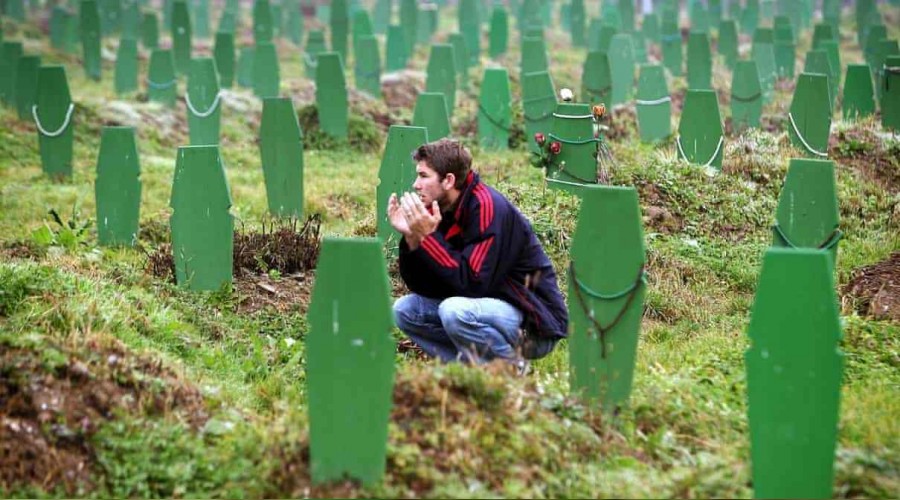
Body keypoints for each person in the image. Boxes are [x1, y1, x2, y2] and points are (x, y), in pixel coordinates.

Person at [389, 138, 568, 368]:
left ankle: (508, 371)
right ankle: (470, 372)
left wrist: (429, 238)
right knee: (406, 310)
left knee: (454, 311)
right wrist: (413, 238)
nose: (416, 184)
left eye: (424, 176)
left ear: (448, 180)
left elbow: (473, 284)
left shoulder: (486, 207)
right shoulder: (442, 209)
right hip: (486, 310)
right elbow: (425, 288)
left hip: (531, 324)